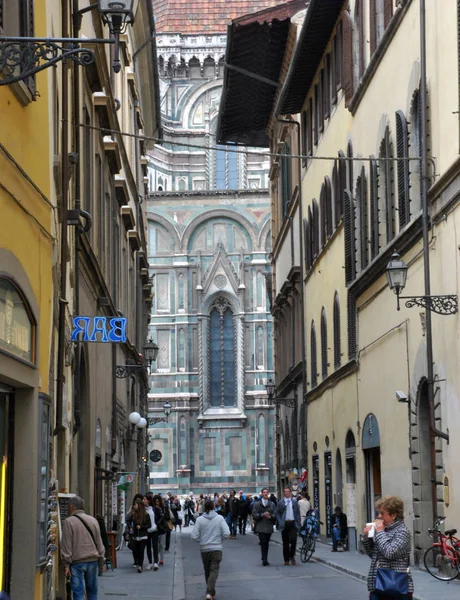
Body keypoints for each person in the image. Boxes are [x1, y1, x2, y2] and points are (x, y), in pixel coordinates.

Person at [363, 496, 413, 600]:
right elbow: (373, 554)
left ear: (393, 515)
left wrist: (380, 532)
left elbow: (390, 553)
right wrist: (367, 538)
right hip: (377, 585)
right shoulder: (382, 530)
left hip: (397, 586)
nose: (379, 516)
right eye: (378, 513)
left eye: (382, 513)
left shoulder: (402, 532)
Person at [60, 495, 105, 600]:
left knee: (78, 593)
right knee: (92, 593)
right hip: (93, 560)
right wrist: (101, 560)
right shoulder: (93, 520)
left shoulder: (68, 521)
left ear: (71, 506)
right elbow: (99, 542)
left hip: (77, 562)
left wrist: (66, 564)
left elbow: (66, 544)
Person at [191, 499, 230, 600]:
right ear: (214, 507)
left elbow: (194, 536)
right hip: (217, 548)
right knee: (214, 570)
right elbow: (227, 533)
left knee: (207, 571)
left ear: (204, 507)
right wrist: (221, 539)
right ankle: (210, 592)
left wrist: (201, 540)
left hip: (204, 549)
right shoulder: (220, 518)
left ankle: (210, 592)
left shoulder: (200, 519)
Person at [276, 486, 301, 566]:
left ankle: (292, 555)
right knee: (285, 542)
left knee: (293, 540)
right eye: (285, 491)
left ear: (290, 493)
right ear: (284, 493)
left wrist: (298, 523)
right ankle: (286, 559)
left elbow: (297, 513)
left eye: (288, 491)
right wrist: (280, 522)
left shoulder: (294, 502)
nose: (286, 493)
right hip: (285, 523)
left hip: (293, 523)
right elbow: (278, 513)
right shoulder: (281, 502)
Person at [252, 488, 277, 566]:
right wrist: (262, 515)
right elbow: (254, 515)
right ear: (261, 494)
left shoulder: (272, 504)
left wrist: (271, 517)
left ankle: (264, 556)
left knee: (266, 542)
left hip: (269, 526)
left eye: (267, 492)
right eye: (264, 492)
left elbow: (275, 513)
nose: (265, 494)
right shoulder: (257, 504)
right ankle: (264, 559)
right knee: (263, 542)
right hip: (260, 526)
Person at [143, 494, 159, 570]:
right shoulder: (143, 510)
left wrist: (157, 524)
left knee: (155, 546)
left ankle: (156, 562)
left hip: (154, 530)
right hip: (147, 530)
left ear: (148, 500)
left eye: (144, 499)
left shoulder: (154, 508)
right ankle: (150, 562)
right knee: (148, 547)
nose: (143, 500)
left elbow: (160, 516)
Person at [153, 494, 169, 565]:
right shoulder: (153, 509)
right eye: (156, 501)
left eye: (158, 501)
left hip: (162, 528)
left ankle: (161, 559)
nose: (157, 503)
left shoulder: (164, 508)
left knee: (162, 545)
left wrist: (164, 515)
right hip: (155, 529)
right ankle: (156, 559)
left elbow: (168, 517)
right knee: (156, 545)